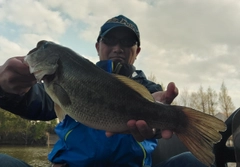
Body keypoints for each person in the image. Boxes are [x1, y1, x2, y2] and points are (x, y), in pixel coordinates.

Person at [0, 15, 208, 167]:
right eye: (110, 40)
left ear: (137, 51)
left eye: (127, 42)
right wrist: (5, 87)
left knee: (192, 162)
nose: (118, 47)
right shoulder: (64, 79)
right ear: (98, 46)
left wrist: (159, 118)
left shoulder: (149, 90)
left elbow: (155, 125)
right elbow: (34, 100)